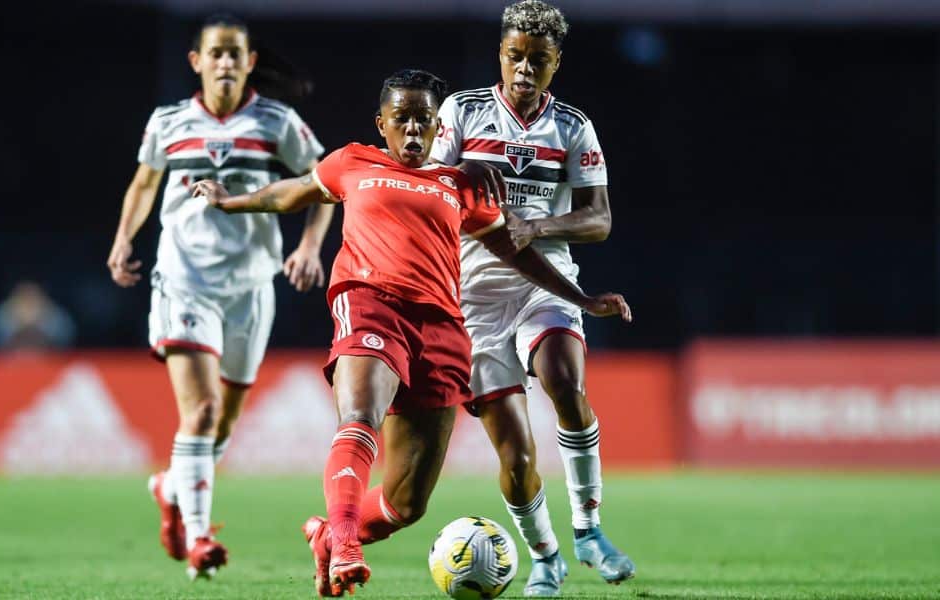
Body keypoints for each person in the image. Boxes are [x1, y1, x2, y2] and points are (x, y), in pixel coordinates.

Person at [193, 68, 631, 597]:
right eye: (402, 118)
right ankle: (347, 547)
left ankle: (329, 535)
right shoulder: (353, 161)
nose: (415, 129)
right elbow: (293, 194)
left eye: (425, 118)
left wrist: (580, 299)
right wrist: (228, 199)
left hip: (444, 327)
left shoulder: (460, 185)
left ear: (437, 124)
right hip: (371, 303)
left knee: (408, 502)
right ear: (382, 123)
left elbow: (516, 253)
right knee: (360, 417)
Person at [106, 14, 332, 579]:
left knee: (223, 424)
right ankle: (200, 539)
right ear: (197, 62)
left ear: (250, 62)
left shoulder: (277, 121)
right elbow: (143, 184)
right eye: (217, 53)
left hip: (252, 287)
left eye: (236, 53)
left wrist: (308, 247)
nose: (226, 62)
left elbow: (325, 183)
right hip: (184, 280)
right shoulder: (169, 121)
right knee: (201, 411)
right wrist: (122, 241)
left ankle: (171, 487)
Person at [428, 1, 636, 594]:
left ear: (555, 64)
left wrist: (538, 228)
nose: (524, 70)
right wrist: (466, 178)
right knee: (516, 455)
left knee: (566, 385)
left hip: (546, 282)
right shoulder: (462, 112)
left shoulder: (572, 126)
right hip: (471, 297)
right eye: (515, 56)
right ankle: (545, 556)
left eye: (538, 61)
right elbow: (431, 188)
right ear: (500, 53)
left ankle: (589, 529)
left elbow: (598, 220)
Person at [0, 281, 76, 352]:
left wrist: (38, 325)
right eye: (24, 299)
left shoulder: (53, 315)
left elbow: (64, 338)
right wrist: (19, 326)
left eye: (32, 300)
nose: (28, 305)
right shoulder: (3, 314)